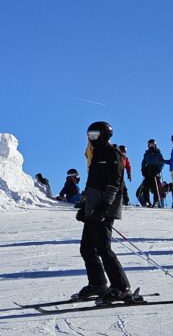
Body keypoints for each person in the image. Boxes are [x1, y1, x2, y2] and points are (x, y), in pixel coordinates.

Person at [74, 121, 138, 304]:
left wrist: (103, 207)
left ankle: (122, 288)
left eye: (94, 135)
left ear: (104, 135)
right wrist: (84, 205)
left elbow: (114, 183)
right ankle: (98, 284)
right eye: (89, 135)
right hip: (93, 208)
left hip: (105, 209)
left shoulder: (113, 154)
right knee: (87, 248)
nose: (91, 139)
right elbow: (91, 184)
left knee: (103, 248)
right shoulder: (96, 155)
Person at [140, 140, 164, 207]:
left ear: (155, 145)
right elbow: (143, 162)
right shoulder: (147, 153)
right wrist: (143, 169)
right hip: (148, 170)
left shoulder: (158, 153)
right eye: (150, 144)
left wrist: (158, 170)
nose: (151, 145)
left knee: (155, 187)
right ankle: (147, 201)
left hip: (155, 170)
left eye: (153, 144)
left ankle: (156, 201)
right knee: (146, 187)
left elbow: (161, 162)